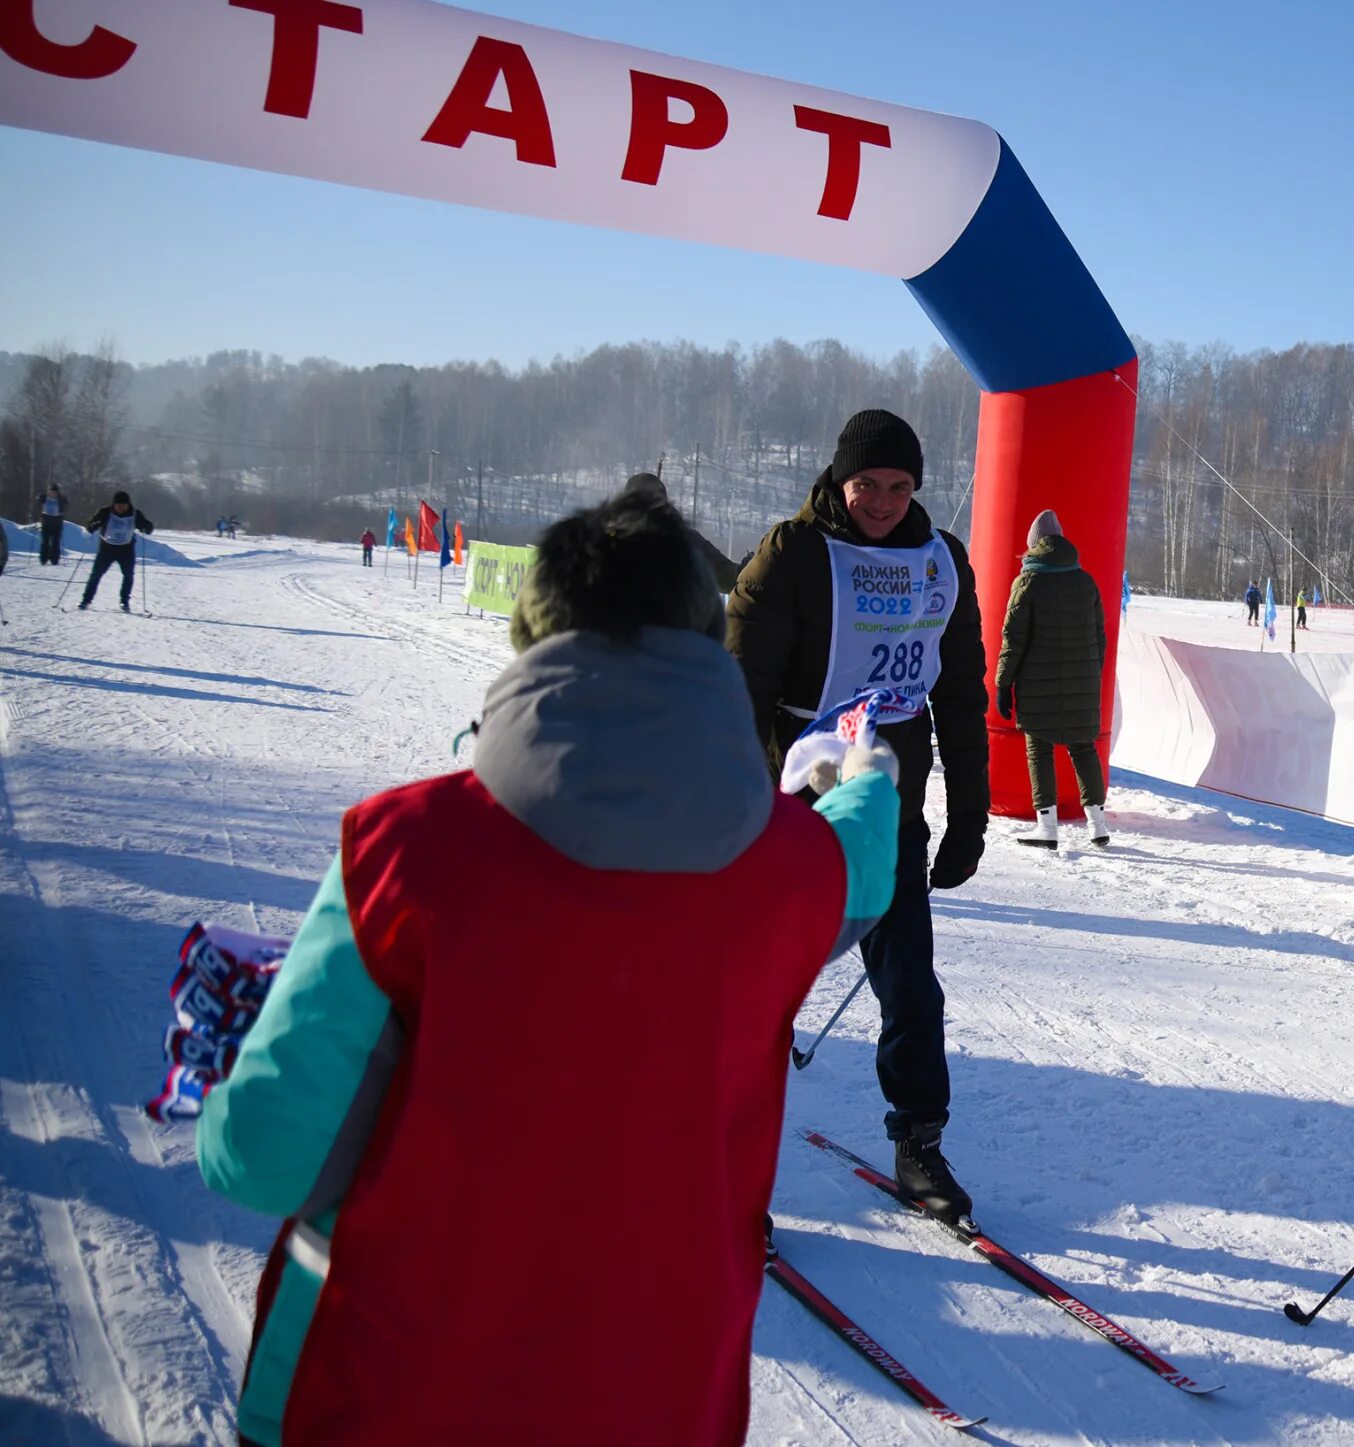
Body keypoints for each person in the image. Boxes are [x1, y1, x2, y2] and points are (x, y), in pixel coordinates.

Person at [195, 495, 901, 1445]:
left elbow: (264, 1155)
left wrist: (223, 1067)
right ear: (706, 647)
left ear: (531, 640)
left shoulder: (406, 852)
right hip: (664, 1402)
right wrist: (869, 783)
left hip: (387, 1392)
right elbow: (858, 868)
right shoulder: (793, 872)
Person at [727, 408, 988, 1220]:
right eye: (866, 484)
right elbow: (739, 689)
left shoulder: (941, 561)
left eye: (899, 485)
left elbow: (958, 692)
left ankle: (919, 1142)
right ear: (840, 480)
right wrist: (726, 808)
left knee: (912, 985)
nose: (881, 500)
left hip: (886, 811)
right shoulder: (793, 554)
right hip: (790, 809)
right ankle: (729, 1172)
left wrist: (970, 810)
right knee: (753, 994)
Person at [997, 509, 1110, 849]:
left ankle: (1047, 828)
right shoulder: (1085, 581)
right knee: (1083, 748)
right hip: (1083, 683)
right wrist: (1091, 674)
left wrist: (1004, 683)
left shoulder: (1028, 582)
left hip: (1037, 684)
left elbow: (1012, 638)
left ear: (1033, 546)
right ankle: (1098, 825)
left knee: (1039, 749)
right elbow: (1098, 636)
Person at [78, 490, 154, 611]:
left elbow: (147, 526)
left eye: (124, 505)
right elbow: (91, 523)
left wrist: (147, 527)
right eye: (118, 505)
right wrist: (92, 526)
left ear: (128, 504)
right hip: (107, 548)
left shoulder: (135, 514)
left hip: (126, 549)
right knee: (96, 575)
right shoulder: (105, 512)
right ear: (113, 504)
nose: (121, 508)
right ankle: (85, 600)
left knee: (128, 575)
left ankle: (124, 602)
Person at [38, 484, 66, 564]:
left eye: (54, 492)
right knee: (45, 542)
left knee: (55, 543)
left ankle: (54, 559)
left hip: (57, 524)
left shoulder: (60, 499)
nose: (53, 493)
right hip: (46, 523)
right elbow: (38, 500)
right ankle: (43, 559)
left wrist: (62, 513)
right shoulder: (45, 498)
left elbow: (66, 504)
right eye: (51, 491)